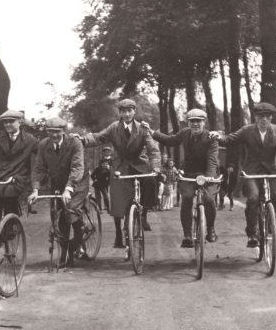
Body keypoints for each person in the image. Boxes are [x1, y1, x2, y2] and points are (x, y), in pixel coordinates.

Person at [77, 98, 161, 260]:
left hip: (139, 163)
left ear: (134, 111)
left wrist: (156, 166)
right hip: (120, 165)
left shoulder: (142, 128)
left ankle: (143, 213)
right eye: (123, 111)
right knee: (117, 198)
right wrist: (82, 139)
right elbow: (98, 138)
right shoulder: (114, 128)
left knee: (150, 180)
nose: (127, 114)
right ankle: (118, 232)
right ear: (120, 113)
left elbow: (153, 149)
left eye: (130, 110)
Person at [211, 102, 276, 248]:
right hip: (251, 171)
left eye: (267, 116)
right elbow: (230, 139)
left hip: (272, 170)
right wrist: (218, 136)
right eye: (260, 116)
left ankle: (271, 220)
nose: (264, 120)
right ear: (255, 117)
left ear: (271, 118)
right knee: (253, 198)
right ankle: (252, 233)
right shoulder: (247, 131)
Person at [141, 109, 219, 247]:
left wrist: (208, 177)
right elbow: (170, 140)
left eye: (198, 121)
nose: (195, 124)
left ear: (204, 122)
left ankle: (211, 229)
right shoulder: (184, 133)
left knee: (208, 199)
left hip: (207, 174)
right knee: (187, 198)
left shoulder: (211, 138)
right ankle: (187, 235)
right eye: (192, 121)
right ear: (188, 123)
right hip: (189, 174)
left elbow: (212, 160)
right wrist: (152, 132)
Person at [28, 117, 90, 268]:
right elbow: (39, 168)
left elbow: (77, 167)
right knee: (57, 216)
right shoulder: (43, 145)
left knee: (71, 211)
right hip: (57, 183)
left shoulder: (75, 143)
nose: (54, 135)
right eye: (50, 131)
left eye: (57, 132)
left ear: (64, 131)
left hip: (78, 181)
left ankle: (80, 234)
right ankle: (63, 254)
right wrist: (35, 189)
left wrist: (69, 189)